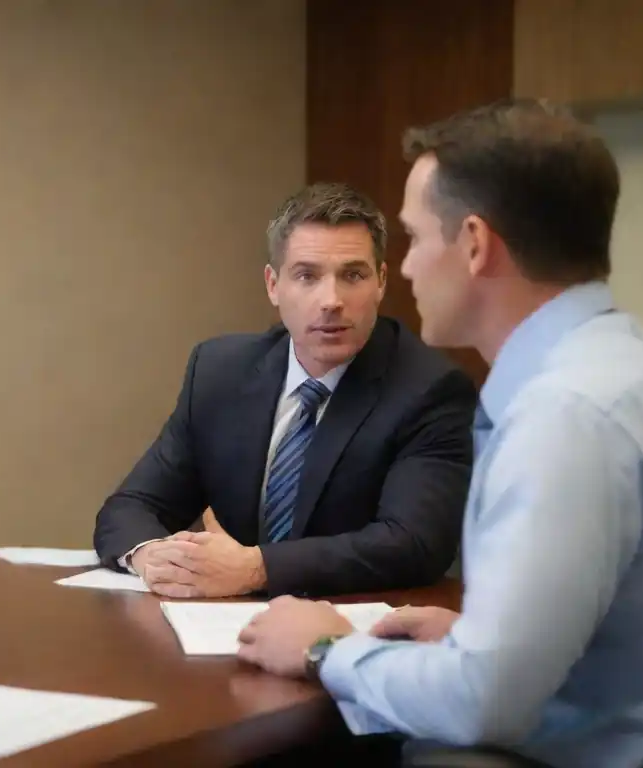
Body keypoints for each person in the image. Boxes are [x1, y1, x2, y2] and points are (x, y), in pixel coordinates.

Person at [236, 99, 643, 768]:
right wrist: (476, 637)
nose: (408, 270)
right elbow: (635, 626)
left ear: (475, 244)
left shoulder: (563, 417)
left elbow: (480, 703)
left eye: (416, 239)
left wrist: (325, 648)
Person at [93, 182, 477, 599]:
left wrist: (256, 568)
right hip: (219, 628)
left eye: (353, 275)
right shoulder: (221, 372)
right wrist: (151, 556)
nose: (331, 300)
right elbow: (130, 507)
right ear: (273, 285)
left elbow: (413, 544)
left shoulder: (430, 391)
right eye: (306, 276)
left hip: (346, 631)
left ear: (381, 281)